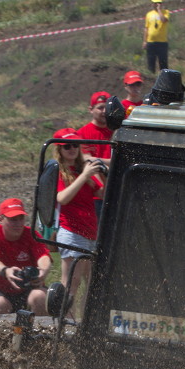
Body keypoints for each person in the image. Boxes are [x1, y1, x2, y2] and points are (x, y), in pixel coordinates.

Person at [55, 128, 106, 314]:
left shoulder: (81, 170)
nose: (72, 149)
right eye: (66, 146)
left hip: (90, 232)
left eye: (75, 145)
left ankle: (84, 324)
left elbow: (102, 193)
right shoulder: (60, 171)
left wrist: (102, 172)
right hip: (72, 231)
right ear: (59, 150)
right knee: (71, 283)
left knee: (92, 284)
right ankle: (66, 324)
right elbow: (62, 198)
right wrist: (85, 175)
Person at [0, 197, 52, 315]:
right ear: (0, 219)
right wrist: (6, 271)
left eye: (21, 218)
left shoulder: (31, 234)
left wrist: (43, 271)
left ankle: (40, 332)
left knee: (40, 297)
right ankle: (2, 333)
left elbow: (44, 257)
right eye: (13, 219)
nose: (18, 224)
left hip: (27, 288)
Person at [77, 91, 114, 161]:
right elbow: (86, 159)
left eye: (108, 107)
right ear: (91, 110)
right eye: (100, 108)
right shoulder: (82, 133)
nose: (105, 111)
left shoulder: (117, 130)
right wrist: (113, 163)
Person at [143, 0, 171, 74]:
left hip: (162, 42)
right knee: (151, 63)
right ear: (152, 4)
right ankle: (152, 80)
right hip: (151, 42)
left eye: (158, 3)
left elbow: (163, 20)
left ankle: (165, 82)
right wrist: (145, 41)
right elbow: (146, 28)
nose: (156, 4)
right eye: (155, 3)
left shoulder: (166, 12)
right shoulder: (149, 14)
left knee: (163, 64)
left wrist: (159, 10)